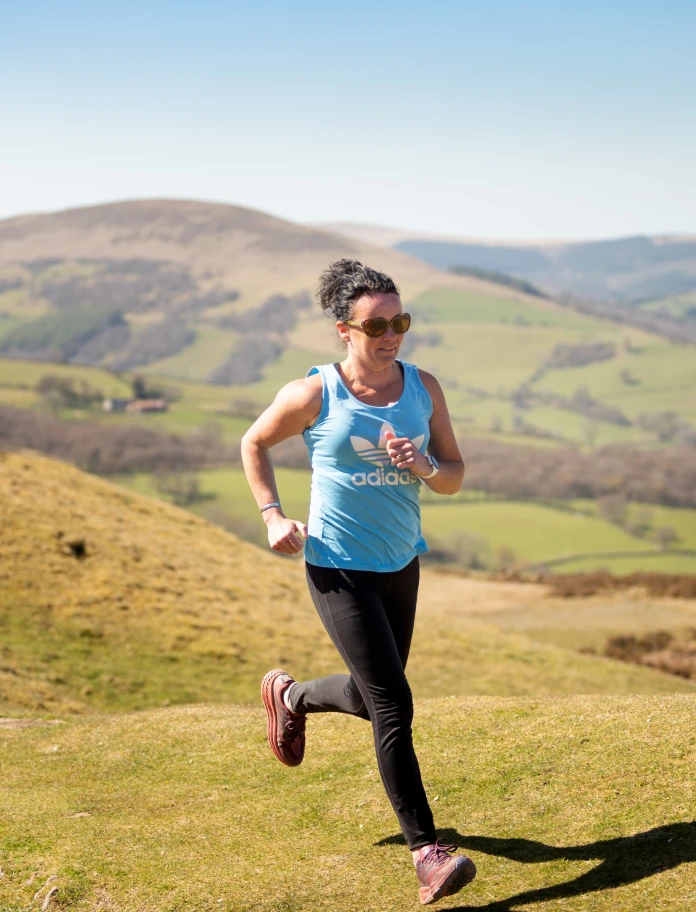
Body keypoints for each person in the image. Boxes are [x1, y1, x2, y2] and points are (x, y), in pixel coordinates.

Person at [241, 259, 476, 905]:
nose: (392, 333)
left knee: (378, 694)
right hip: (339, 566)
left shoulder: (423, 386)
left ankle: (290, 699)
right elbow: (254, 443)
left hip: (402, 561)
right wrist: (271, 515)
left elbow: (454, 474)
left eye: (401, 320)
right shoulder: (314, 393)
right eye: (378, 323)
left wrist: (426, 464)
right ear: (344, 328)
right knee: (394, 703)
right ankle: (427, 853)